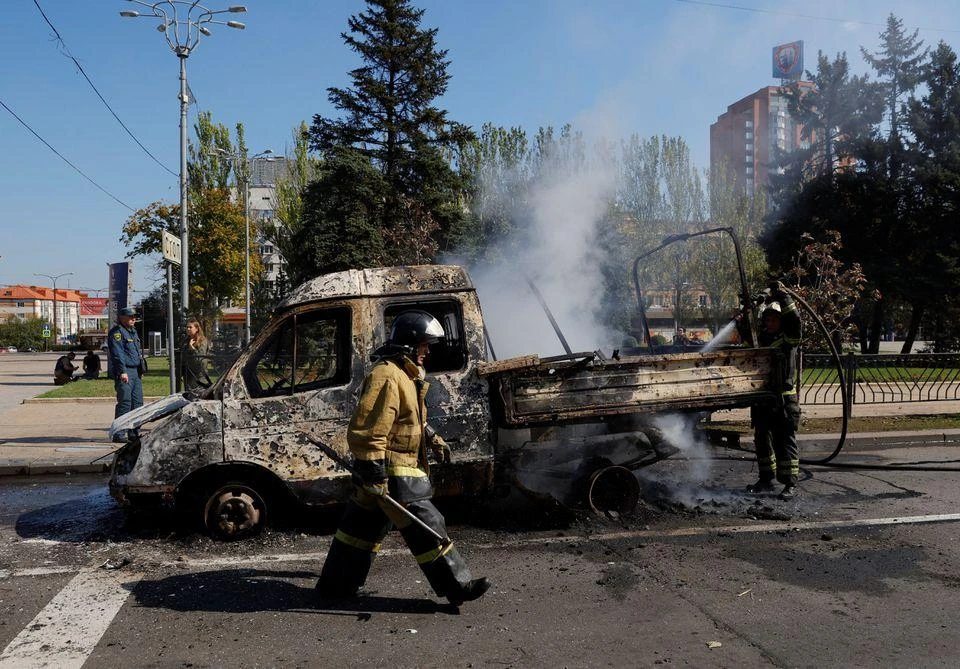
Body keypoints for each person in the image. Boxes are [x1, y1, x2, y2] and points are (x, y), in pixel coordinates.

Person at [317, 310, 491, 606]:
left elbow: (409, 418)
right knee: (428, 524)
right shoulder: (387, 375)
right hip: (391, 471)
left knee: (358, 529)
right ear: (410, 344)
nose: (427, 352)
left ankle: (335, 586)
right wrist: (374, 472)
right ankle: (457, 586)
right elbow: (369, 428)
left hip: (384, 472)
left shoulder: (405, 375)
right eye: (424, 345)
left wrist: (432, 438)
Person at [737, 281, 802, 500]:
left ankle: (790, 483)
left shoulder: (789, 339)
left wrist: (783, 295)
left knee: (784, 442)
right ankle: (766, 479)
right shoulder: (760, 339)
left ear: (781, 321)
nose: (770, 323)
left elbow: (794, 320)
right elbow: (746, 332)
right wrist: (748, 307)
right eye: (767, 320)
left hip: (783, 400)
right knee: (762, 439)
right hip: (763, 399)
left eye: (774, 320)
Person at [108, 306, 145, 442]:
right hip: (125, 371)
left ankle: (134, 432)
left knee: (137, 402)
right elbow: (118, 354)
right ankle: (119, 433)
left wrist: (140, 369)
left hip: (135, 371)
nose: (133, 319)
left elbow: (135, 352)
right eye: (130, 317)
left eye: (134, 317)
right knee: (125, 402)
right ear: (122, 318)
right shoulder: (117, 332)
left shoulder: (133, 332)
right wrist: (122, 371)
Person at [183, 318, 211, 392]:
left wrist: (192, 348)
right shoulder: (186, 341)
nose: (188, 329)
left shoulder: (202, 341)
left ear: (197, 329)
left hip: (199, 375)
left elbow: (200, 358)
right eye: (187, 327)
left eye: (190, 327)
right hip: (189, 374)